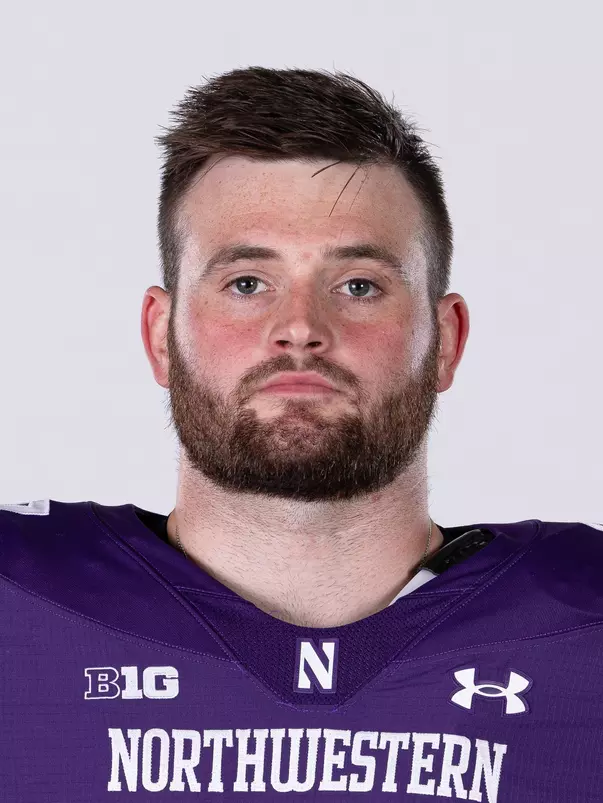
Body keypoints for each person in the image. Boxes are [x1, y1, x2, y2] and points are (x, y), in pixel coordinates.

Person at [1, 67, 602, 803]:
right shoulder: (18, 607)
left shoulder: (583, 624)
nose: (299, 330)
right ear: (160, 335)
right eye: (246, 282)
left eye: (358, 286)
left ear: (444, 340)